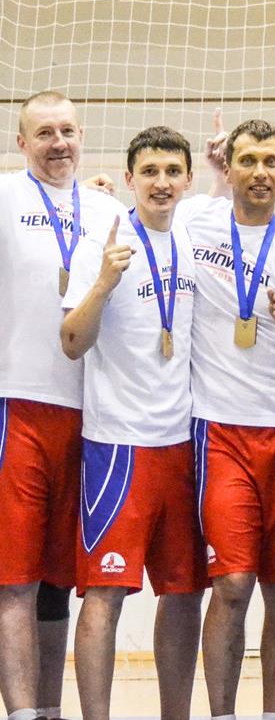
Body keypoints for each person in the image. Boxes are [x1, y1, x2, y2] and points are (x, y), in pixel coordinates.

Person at [180, 119, 275, 720]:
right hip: (219, 428)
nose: (260, 172)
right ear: (230, 169)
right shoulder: (196, 222)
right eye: (248, 161)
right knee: (231, 585)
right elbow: (146, 214)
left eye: (271, 161)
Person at [60, 126, 205, 720]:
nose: (161, 183)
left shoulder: (194, 236)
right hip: (118, 448)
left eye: (172, 171)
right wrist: (103, 282)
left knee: (184, 593)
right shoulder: (101, 241)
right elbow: (72, 342)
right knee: (105, 592)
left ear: (188, 179)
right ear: (129, 179)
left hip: (183, 446)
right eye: (149, 171)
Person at [0, 90, 125, 720]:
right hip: (17, 406)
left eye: (68, 131)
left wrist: (213, 181)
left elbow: (174, 239)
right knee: (12, 578)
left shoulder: (107, 209)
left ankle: (48, 710)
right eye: (44, 133)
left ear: (82, 136)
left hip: (93, 415)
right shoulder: (3, 196)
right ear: (22, 142)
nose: (58, 143)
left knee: (57, 579)